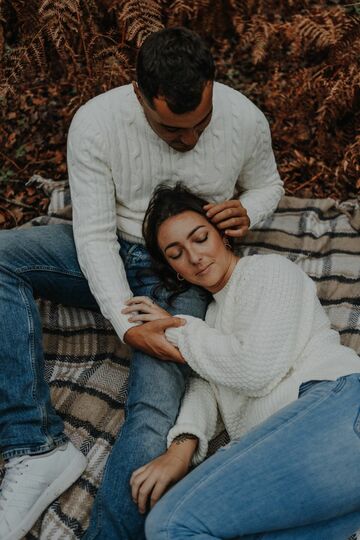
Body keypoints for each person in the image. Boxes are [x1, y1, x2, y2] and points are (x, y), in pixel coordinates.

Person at [0, 27, 284, 540]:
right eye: (173, 131)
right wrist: (124, 322)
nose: (190, 141)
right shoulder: (96, 123)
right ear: (139, 96)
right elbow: (91, 234)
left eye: (201, 124)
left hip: (181, 271)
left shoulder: (243, 118)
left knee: (153, 412)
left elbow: (268, 183)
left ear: (212, 87)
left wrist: (251, 208)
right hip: (112, 246)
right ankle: (36, 444)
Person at [126, 183, 360, 540]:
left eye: (200, 238)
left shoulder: (269, 272)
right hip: (306, 455)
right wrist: (181, 448)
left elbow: (253, 368)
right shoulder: (211, 326)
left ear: (223, 235)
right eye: (176, 252)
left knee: (171, 525)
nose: (194, 256)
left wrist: (174, 327)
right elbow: (207, 385)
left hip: (336, 405)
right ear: (174, 270)